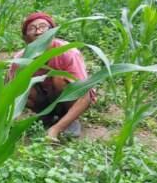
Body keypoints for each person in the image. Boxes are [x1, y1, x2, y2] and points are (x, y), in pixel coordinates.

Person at [6, 12, 96, 140]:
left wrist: (56, 130)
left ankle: (67, 121)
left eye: (43, 27)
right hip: (43, 99)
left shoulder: (68, 53)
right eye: (32, 28)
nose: (38, 32)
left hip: (67, 98)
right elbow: (9, 92)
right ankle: (46, 117)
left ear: (53, 32)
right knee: (19, 85)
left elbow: (84, 96)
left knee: (59, 78)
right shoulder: (20, 59)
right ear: (25, 38)